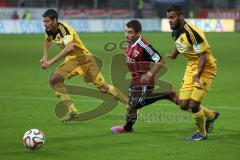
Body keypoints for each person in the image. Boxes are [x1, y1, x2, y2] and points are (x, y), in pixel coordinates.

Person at [40, 9, 128, 122]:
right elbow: (47, 40)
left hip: (84, 59)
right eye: (44, 21)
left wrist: (51, 62)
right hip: (72, 60)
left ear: (55, 20)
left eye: (47, 21)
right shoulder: (49, 30)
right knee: (55, 80)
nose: (45, 24)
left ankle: (130, 105)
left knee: (103, 88)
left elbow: (69, 47)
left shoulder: (64, 29)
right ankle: (72, 111)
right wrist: (45, 57)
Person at [111, 20, 178, 133]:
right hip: (135, 80)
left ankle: (166, 94)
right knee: (130, 107)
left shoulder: (144, 46)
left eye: (130, 32)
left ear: (138, 33)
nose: (127, 34)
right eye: (126, 31)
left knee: (135, 105)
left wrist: (149, 74)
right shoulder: (129, 43)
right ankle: (128, 128)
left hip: (144, 83)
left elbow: (160, 61)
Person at [165, 4, 219, 140]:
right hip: (191, 68)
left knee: (194, 105)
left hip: (205, 68)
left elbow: (202, 56)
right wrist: (174, 54)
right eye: (168, 18)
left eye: (172, 17)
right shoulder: (175, 31)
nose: (170, 21)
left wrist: (198, 76)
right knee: (183, 105)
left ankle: (201, 133)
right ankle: (211, 115)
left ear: (181, 17)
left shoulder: (192, 33)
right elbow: (179, 44)